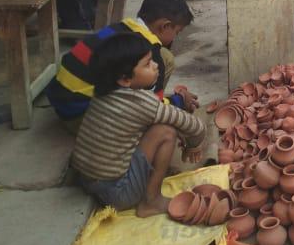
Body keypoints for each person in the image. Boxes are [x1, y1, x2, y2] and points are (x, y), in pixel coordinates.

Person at [71, 32, 205, 217]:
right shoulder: (140, 102)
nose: (156, 65)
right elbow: (194, 125)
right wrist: (193, 145)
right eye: (148, 64)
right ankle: (151, 200)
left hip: (87, 180)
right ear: (125, 79)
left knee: (158, 123)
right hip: (117, 192)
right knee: (166, 131)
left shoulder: (102, 93)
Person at [45, 0, 197, 131]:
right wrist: (179, 101)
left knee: (166, 58)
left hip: (63, 101)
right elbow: (153, 109)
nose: (175, 38)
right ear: (165, 26)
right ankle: (151, 94)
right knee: (161, 129)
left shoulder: (121, 27)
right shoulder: (151, 52)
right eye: (177, 32)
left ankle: (152, 91)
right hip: (83, 117)